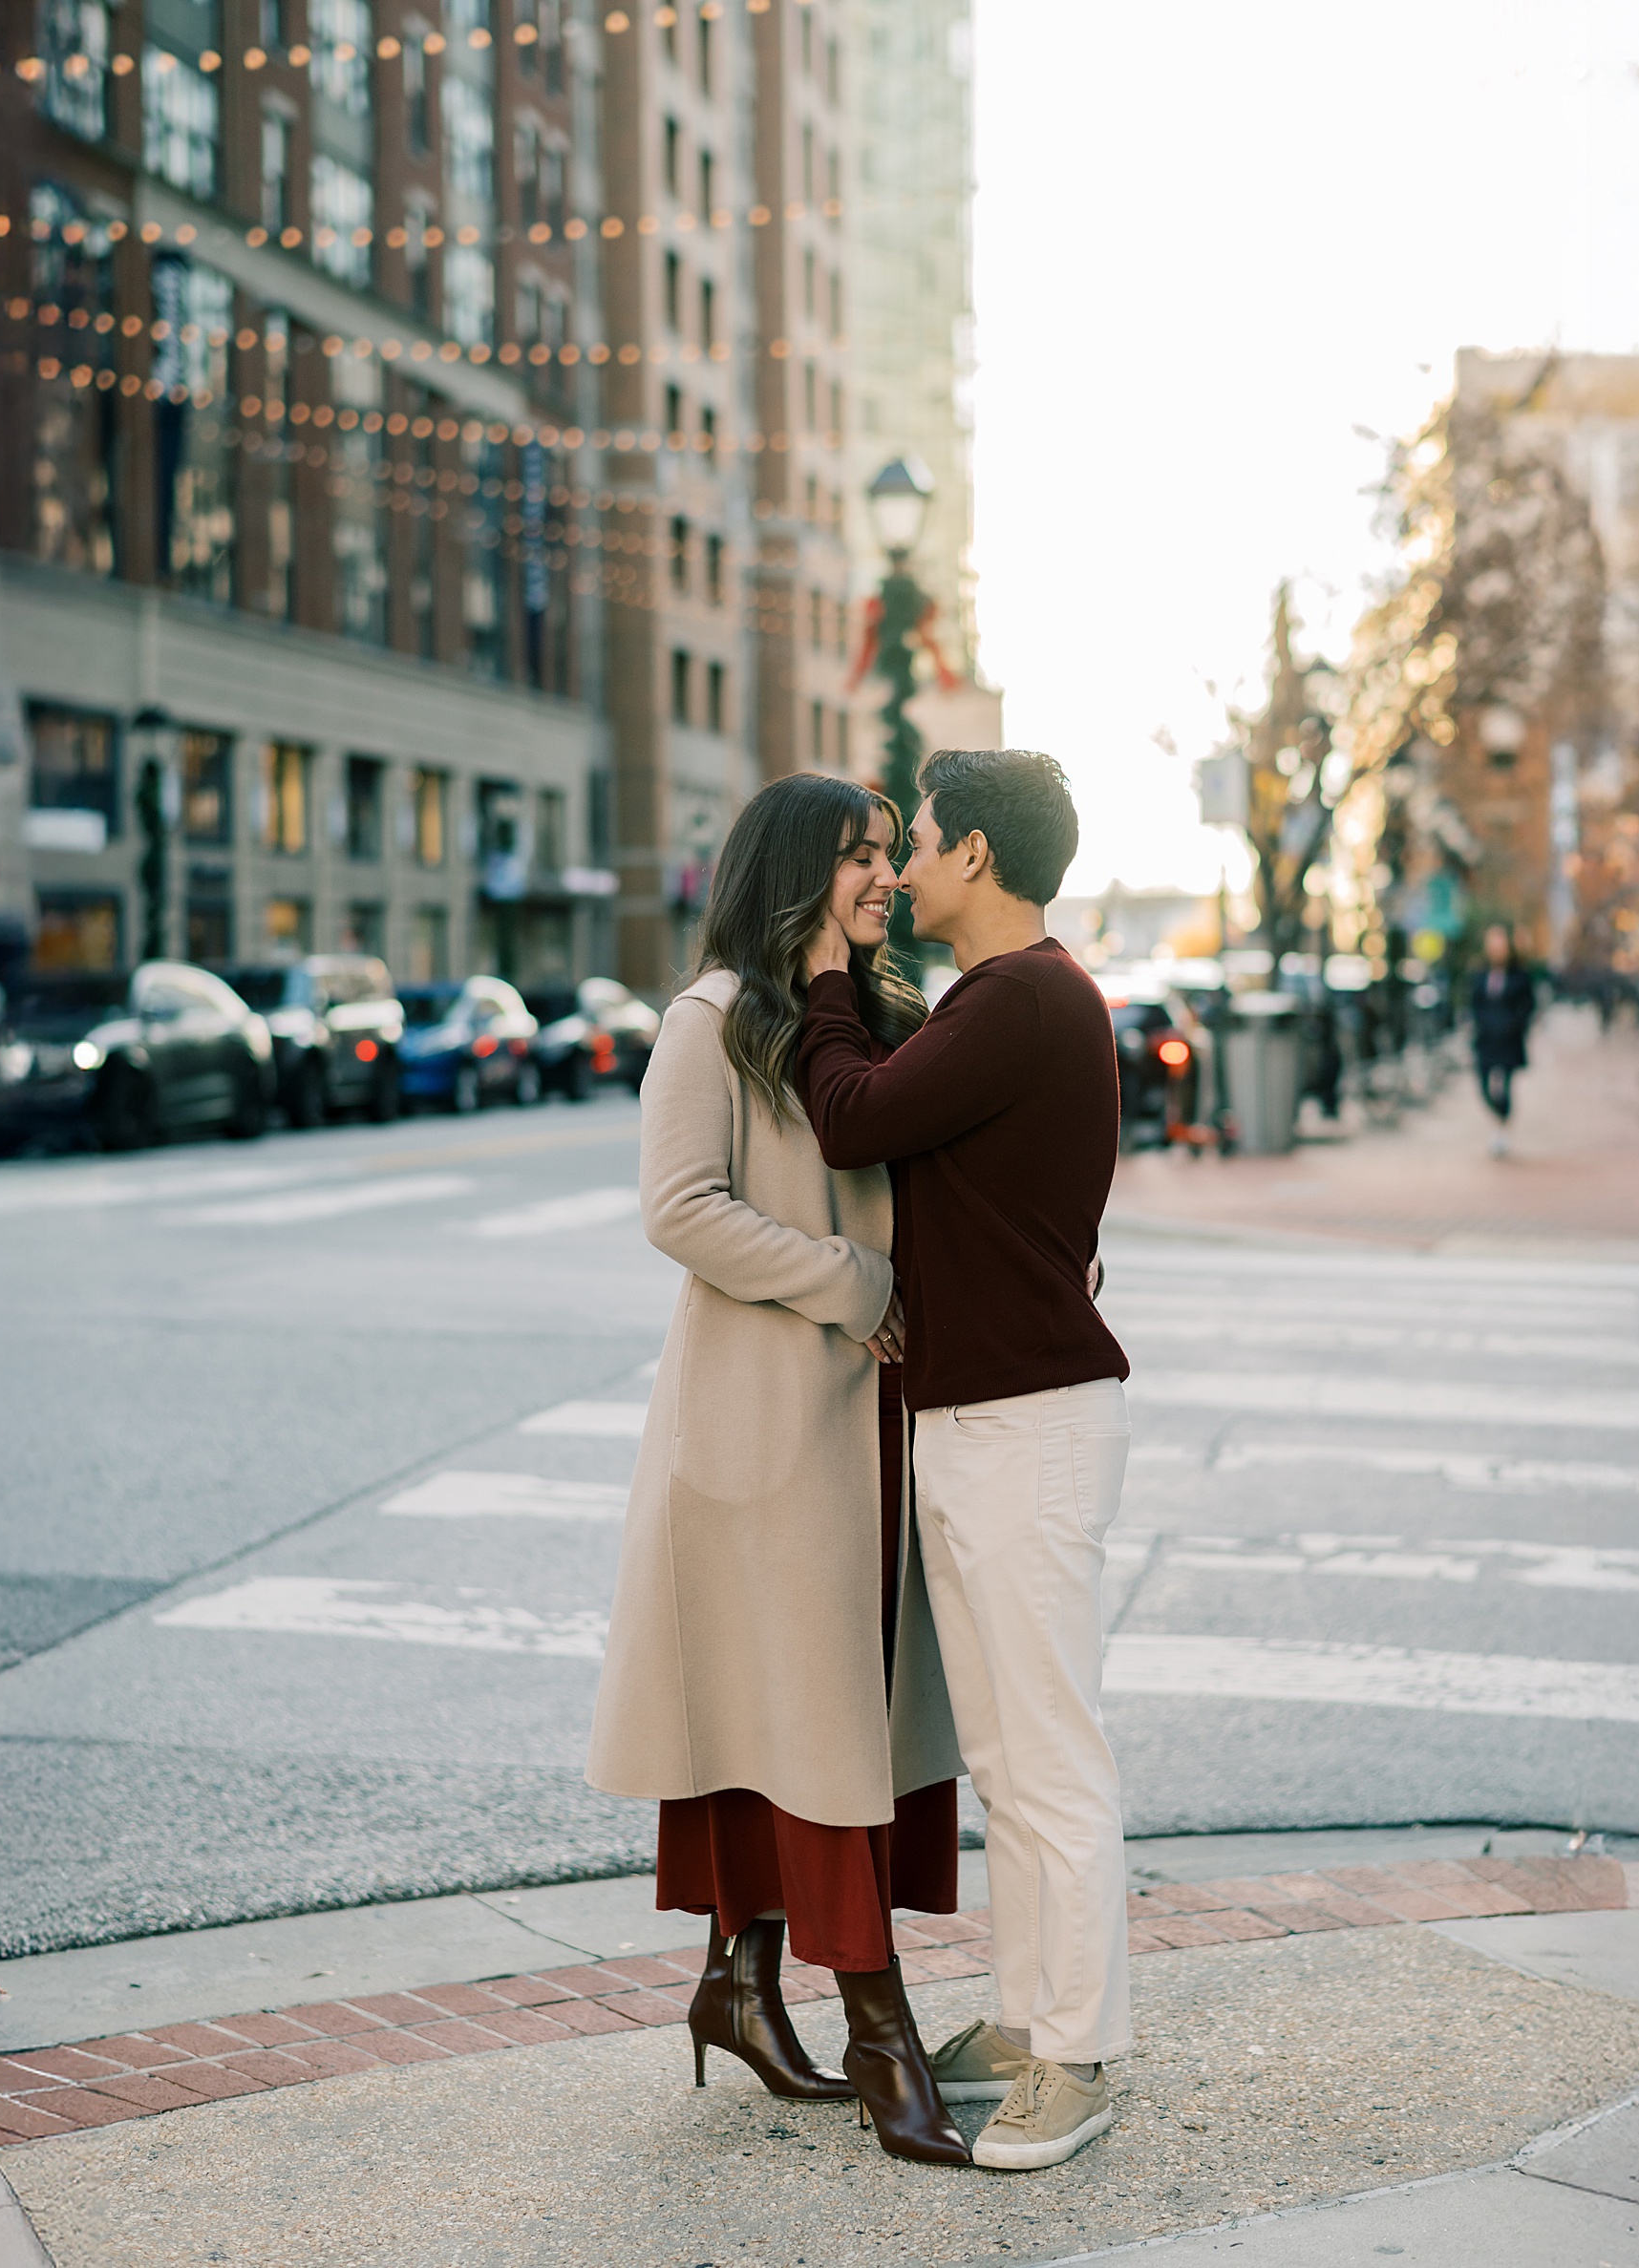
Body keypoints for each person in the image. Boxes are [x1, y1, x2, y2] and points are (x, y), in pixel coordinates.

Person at [586, 772, 971, 2169]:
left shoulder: (876, 1013)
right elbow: (679, 1206)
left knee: (814, 1714)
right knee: (812, 1724)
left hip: (871, 1419)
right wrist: (851, 1279)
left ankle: (738, 1985)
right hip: (762, 1432)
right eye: (857, 855)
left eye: (887, 851)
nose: (884, 875)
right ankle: (880, 2031)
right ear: (793, 872)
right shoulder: (710, 1020)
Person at [798, 748, 1132, 2174]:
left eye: (921, 840)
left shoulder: (1022, 997)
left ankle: (1080, 2056)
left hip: (1028, 1423)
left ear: (978, 853)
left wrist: (824, 976)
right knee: (1004, 1754)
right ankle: (1026, 2015)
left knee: (1048, 1756)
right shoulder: (1005, 1000)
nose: (903, 866)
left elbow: (853, 1114)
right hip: (980, 1413)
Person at [1469, 923, 1536, 1157]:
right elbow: (1474, 1003)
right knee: (1484, 1086)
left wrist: (1514, 1025)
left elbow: (1528, 1005)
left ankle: (1502, 1129)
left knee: (1505, 1086)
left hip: (1508, 1040)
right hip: (1486, 1039)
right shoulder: (1480, 974)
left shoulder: (1519, 976)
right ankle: (1500, 1119)